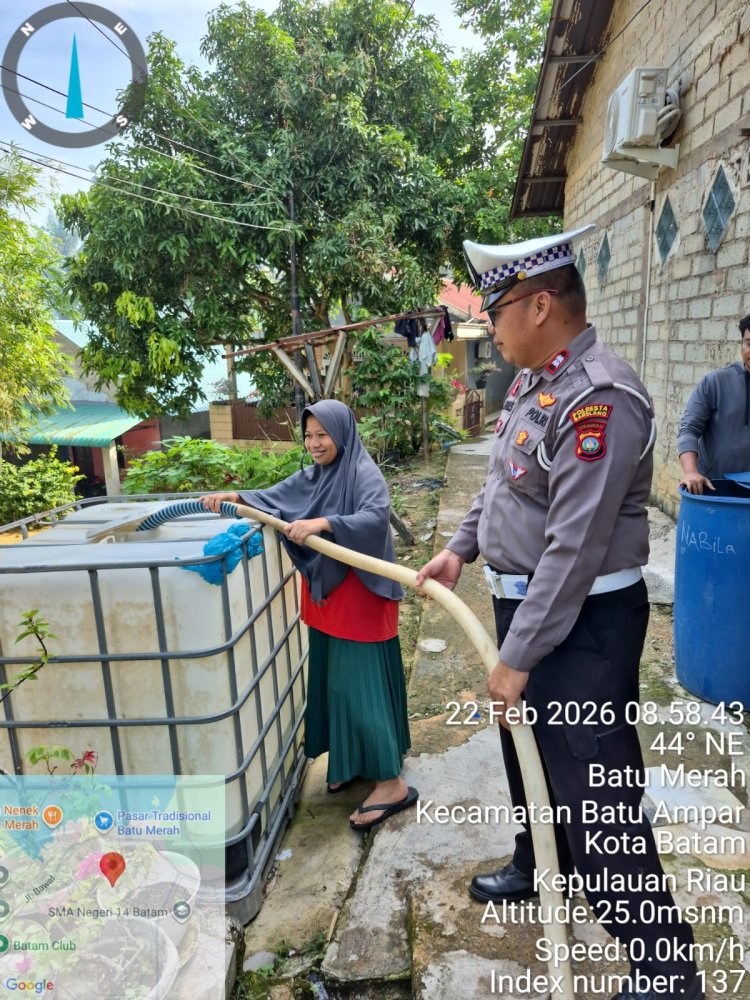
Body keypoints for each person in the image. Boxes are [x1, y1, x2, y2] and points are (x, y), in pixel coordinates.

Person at [416, 228, 703, 1000]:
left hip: (581, 633)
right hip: (531, 617)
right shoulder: (534, 382)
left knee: (595, 795)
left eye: (497, 307)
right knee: (528, 759)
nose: (489, 323)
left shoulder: (598, 398)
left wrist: (517, 659)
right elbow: (500, 487)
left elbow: (573, 552)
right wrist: (459, 549)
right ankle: (542, 859)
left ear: (541, 304)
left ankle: (666, 969)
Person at [201, 399, 417, 832]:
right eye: (309, 435)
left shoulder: (363, 473)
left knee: (360, 685)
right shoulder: (316, 474)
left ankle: (391, 783)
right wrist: (236, 497)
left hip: (360, 593)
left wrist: (324, 524)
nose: (314, 443)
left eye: (323, 435)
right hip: (327, 597)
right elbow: (278, 495)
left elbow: (375, 519)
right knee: (335, 682)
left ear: (342, 434)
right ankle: (357, 760)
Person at [677, 314, 750, 494]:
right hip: (714, 489)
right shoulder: (715, 383)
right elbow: (689, 429)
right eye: (749, 343)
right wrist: (691, 472)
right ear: (742, 345)